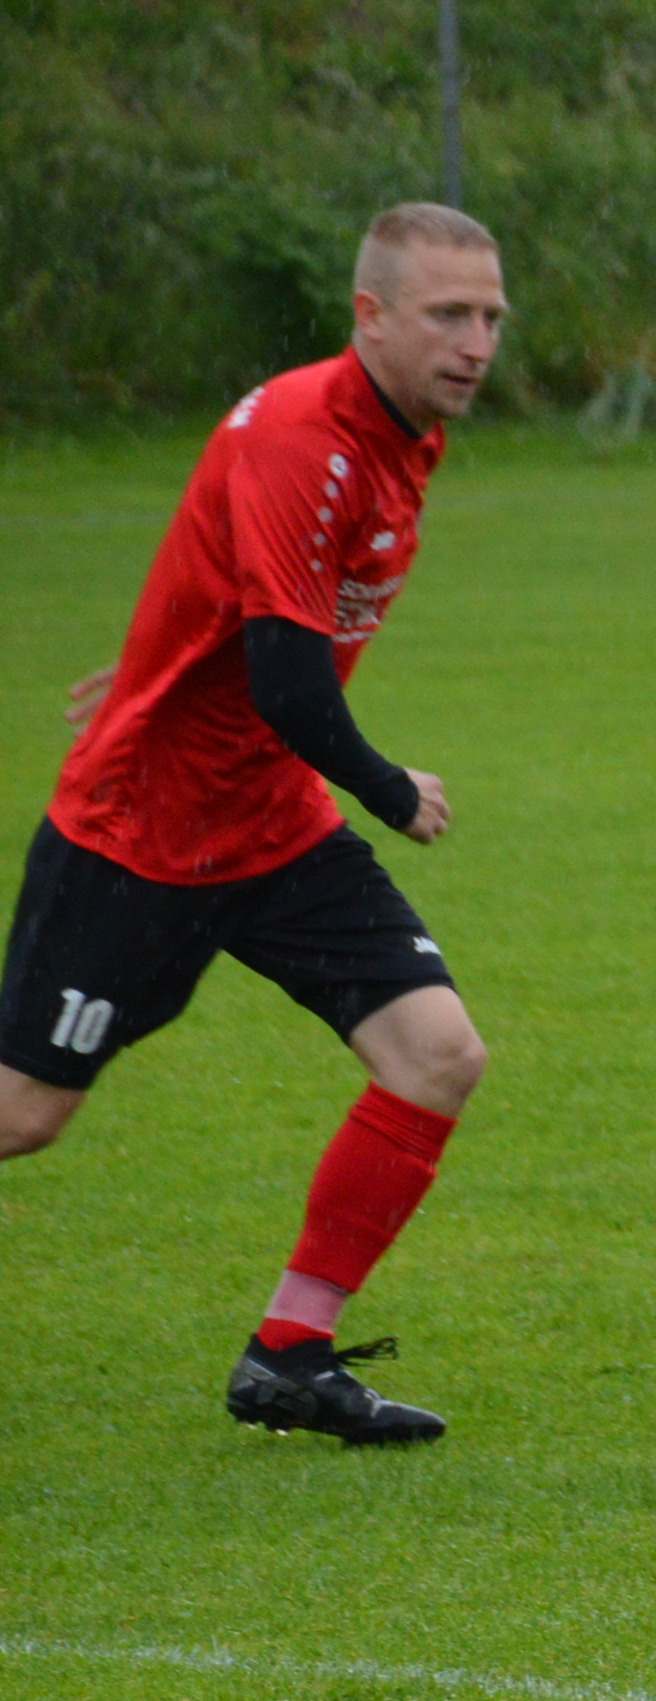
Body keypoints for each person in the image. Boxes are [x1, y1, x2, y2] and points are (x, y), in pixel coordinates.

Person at [1, 204, 513, 1446]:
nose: (478, 343)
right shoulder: (304, 436)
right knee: (23, 1113)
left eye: (493, 316)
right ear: (370, 316)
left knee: (437, 1054)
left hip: (270, 819)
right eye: (449, 314)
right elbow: (287, 680)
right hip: (143, 831)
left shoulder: (408, 433)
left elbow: (227, 577)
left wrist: (155, 660)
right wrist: (390, 787)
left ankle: (289, 1356)